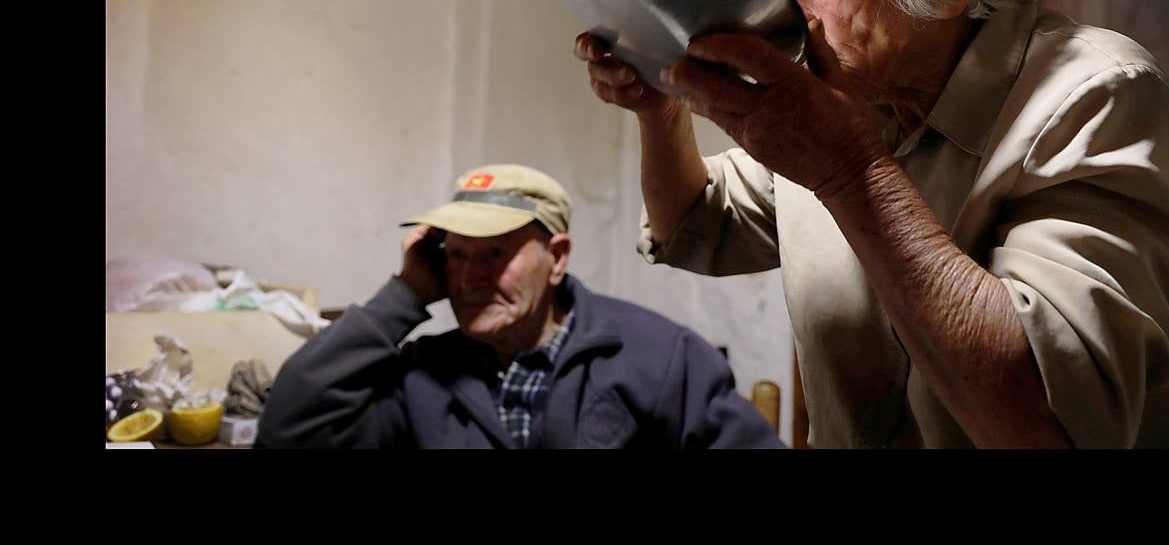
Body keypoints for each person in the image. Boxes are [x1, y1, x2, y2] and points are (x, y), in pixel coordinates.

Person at [575, 0, 1169, 448]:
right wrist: (662, 109)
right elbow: (698, 225)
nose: (784, 21)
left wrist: (850, 170)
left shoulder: (1094, 91)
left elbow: (1051, 420)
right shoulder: (845, 96)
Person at [256, 163, 783, 448]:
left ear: (556, 259)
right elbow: (289, 429)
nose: (468, 277)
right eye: (455, 255)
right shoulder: (425, 375)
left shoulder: (659, 357)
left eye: (494, 254)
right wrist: (406, 293)